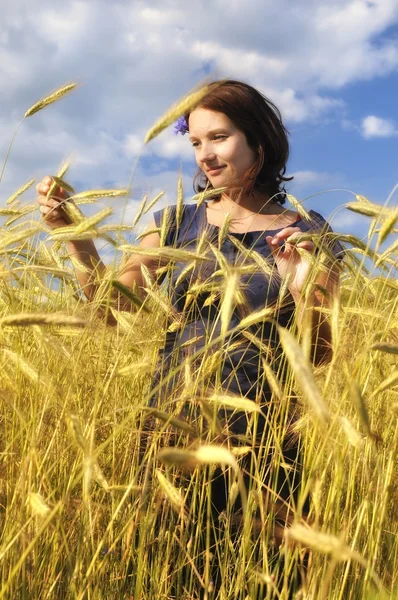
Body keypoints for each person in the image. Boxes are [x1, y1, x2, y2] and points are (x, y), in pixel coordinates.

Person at [36, 79, 343, 597]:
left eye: (218, 138)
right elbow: (111, 310)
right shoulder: (177, 222)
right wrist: (77, 238)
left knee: (272, 580)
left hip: (268, 443)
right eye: (195, 142)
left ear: (258, 143)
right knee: (178, 577)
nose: (205, 154)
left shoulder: (308, 231)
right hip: (172, 433)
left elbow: (324, 354)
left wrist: (302, 286)